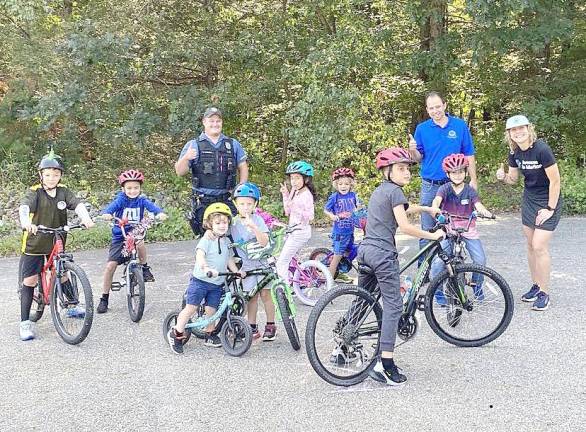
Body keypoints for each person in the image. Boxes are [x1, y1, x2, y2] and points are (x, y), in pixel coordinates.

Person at [357, 147, 444, 385]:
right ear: (387, 171)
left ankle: (341, 348)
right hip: (383, 255)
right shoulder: (395, 192)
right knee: (394, 306)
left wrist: (427, 208)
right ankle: (385, 364)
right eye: (401, 169)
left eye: (408, 169)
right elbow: (405, 227)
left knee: (362, 299)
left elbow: (404, 208)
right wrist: (432, 235)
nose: (407, 173)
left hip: (365, 251)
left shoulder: (381, 191)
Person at [17, 150, 95, 341]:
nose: (52, 178)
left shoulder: (63, 191)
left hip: (57, 238)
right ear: (41, 175)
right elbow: (24, 207)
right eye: (48, 174)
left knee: (64, 271)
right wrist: (27, 222)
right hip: (35, 242)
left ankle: (71, 305)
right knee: (30, 281)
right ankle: (25, 322)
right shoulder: (35, 192)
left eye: (56, 174)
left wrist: (85, 218)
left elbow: (77, 204)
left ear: (61, 175)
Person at [496, 115, 561, 311]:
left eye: (521, 128)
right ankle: (536, 285)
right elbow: (513, 180)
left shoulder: (542, 149)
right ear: (509, 134)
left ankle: (544, 293)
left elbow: (555, 181)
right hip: (530, 199)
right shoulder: (514, 153)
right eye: (513, 130)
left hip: (549, 198)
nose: (518, 132)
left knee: (539, 245)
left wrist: (550, 209)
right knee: (530, 245)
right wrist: (503, 177)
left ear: (528, 129)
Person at [167, 203, 244, 354]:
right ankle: (176, 333)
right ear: (209, 224)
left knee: (212, 310)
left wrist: (236, 271)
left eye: (225, 222)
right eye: (217, 223)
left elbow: (228, 259)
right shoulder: (206, 240)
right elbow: (200, 256)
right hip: (201, 281)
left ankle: (210, 334)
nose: (222, 226)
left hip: (216, 283)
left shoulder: (226, 241)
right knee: (191, 308)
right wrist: (206, 268)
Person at [408, 91, 477, 258]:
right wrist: (412, 150)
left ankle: (451, 271)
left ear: (445, 105)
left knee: (455, 228)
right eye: (431, 108)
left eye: (438, 106)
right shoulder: (422, 129)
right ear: (427, 109)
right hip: (430, 185)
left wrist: (474, 179)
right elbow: (418, 158)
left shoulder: (459, 126)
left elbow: (469, 153)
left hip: (455, 186)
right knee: (427, 229)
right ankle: (423, 272)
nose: (435, 111)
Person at [97, 169, 168, 314]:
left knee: (140, 243)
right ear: (123, 189)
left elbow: (153, 208)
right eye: (129, 188)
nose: (132, 191)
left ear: (140, 188)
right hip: (120, 235)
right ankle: (104, 297)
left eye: (136, 187)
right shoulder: (121, 200)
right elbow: (110, 208)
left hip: (136, 232)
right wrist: (107, 214)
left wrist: (159, 213)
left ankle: (144, 267)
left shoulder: (141, 200)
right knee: (110, 266)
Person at [174, 107, 248, 237]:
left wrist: (241, 189)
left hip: (227, 199)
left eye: (218, 121)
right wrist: (186, 158)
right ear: (204, 122)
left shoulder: (232, 144)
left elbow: (243, 166)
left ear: (221, 122)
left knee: (233, 240)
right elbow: (180, 172)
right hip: (203, 201)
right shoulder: (194, 144)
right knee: (208, 242)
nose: (215, 124)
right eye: (211, 121)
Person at [430, 154, 493, 303]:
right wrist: (435, 209)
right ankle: (437, 291)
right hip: (449, 229)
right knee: (439, 262)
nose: (457, 175)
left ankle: (477, 284)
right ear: (448, 174)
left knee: (480, 260)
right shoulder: (444, 189)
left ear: (465, 172)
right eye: (453, 172)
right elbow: (436, 201)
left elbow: (478, 205)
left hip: (468, 229)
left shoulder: (470, 190)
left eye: (460, 172)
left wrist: (485, 212)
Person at [230, 182, 277, 341]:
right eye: (241, 203)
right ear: (236, 204)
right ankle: (252, 326)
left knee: (266, 294)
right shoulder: (233, 223)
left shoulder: (258, 220)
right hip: (247, 264)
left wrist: (254, 228)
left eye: (249, 204)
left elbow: (264, 242)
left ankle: (270, 324)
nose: (245, 207)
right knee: (252, 296)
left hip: (262, 262)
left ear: (255, 204)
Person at [276, 161, 316, 283]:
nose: (294, 181)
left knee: (281, 262)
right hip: (293, 230)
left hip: (300, 232)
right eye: (292, 178)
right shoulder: (295, 190)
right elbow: (287, 210)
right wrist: (285, 194)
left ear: (306, 179)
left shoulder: (306, 195)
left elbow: (311, 216)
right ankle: (295, 281)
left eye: (297, 178)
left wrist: (296, 208)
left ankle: (284, 289)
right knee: (290, 259)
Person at [323, 167, 362, 282]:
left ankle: (341, 269)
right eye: (340, 184)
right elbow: (326, 209)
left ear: (351, 184)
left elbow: (358, 208)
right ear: (336, 184)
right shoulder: (335, 197)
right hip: (340, 232)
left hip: (350, 231)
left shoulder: (353, 195)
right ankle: (328, 281)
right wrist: (332, 216)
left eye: (346, 184)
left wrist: (360, 213)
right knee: (338, 256)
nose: (343, 186)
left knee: (352, 251)